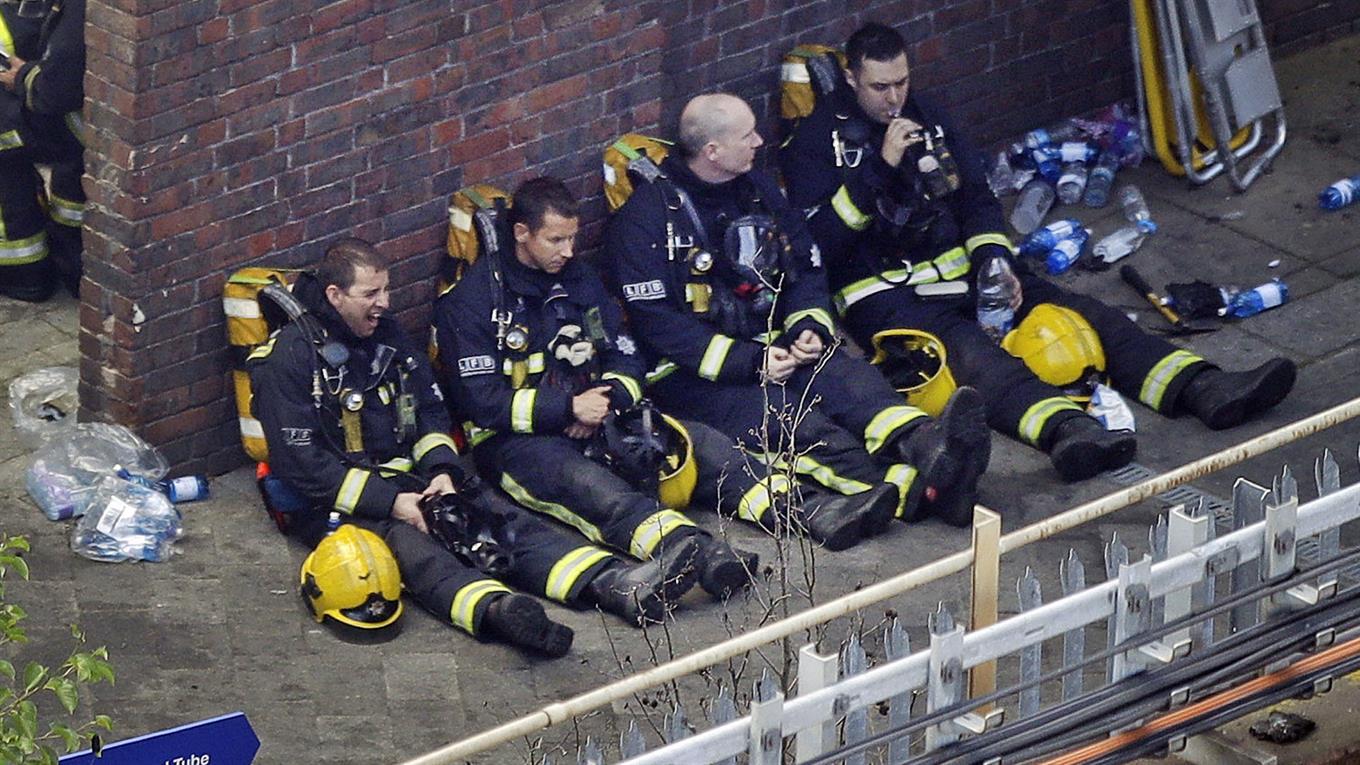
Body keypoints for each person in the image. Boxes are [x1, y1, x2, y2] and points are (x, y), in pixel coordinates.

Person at [778, 22, 1296, 482]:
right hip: (887, 292)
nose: (895, 98)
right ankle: (1069, 432)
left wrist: (994, 260)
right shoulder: (814, 144)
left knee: (1090, 316)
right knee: (974, 357)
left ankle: (1205, 387)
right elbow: (820, 243)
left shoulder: (928, 116)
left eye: (902, 82)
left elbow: (977, 199)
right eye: (880, 87)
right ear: (851, 78)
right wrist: (879, 169)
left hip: (963, 270)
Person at [250, 239, 693, 657]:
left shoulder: (386, 336)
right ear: (335, 295)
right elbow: (301, 465)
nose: (384, 302)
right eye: (371, 293)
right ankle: (501, 613)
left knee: (500, 523)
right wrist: (391, 503)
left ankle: (614, 585)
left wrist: (442, 471)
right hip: (340, 501)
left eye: (386, 290)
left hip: (415, 479)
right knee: (416, 552)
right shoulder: (288, 361)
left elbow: (429, 411)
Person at [603, 93, 991, 529]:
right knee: (799, 427)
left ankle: (927, 445)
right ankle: (919, 492)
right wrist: (750, 362)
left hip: (778, 345)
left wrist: (808, 325)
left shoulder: (758, 190)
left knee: (855, 386)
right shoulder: (644, 221)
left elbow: (805, 263)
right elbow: (657, 324)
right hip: (696, 376)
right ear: (712, 151)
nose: (758, 141)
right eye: (747, 135)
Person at [436, 177, 779, 603]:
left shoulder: (580, 280)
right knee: (594, 489)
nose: (568, 251)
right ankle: (698, 554)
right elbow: (481, 402)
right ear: (521, 233)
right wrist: (567, 409)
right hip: (517, 441)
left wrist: (606, 399)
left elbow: (626, 354)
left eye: (572, 238)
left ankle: (799, 508)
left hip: (599, 412)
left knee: (700, 444)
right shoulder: (471, 303)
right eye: (555, 240)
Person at [0, 0, 86, 300]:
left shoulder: (79, 9)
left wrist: (24, 77)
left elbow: (57, 87)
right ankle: (69, 262)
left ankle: (24, 271)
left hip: (71, 124)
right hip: (85, 133)